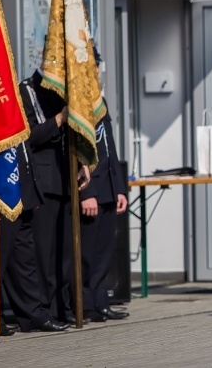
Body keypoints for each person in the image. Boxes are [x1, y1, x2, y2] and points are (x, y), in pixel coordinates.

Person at [0, 143, 70, 334]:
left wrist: (34, 191)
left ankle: (33, 315)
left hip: (21, 193)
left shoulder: (15, 114)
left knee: (24, 259)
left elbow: (24, 149)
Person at [19, 69, 90, 323]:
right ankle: (44, 309)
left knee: (66, 253)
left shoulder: (66, 90)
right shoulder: (28, 89)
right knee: (44, 253)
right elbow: (30, 136)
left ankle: (64, 306)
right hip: (44, 182)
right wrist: (59, 118)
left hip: (66, 181)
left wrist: (82, 162)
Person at [79, 47, 129, 322]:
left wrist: (120, 188)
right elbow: (79, 154)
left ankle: (100, 301)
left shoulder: (99, 101)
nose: (94, 70)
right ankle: (84, 305)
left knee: (104, 252)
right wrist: (87, 191)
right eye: (89, 66)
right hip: (91, 189)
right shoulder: (77, 104)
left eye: (96, 65)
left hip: (108, 187)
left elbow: (110, 150)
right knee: (86, 253)